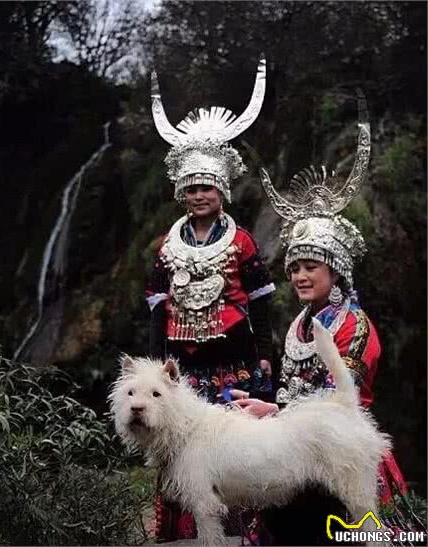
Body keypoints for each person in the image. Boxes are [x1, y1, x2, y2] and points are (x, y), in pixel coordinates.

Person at [236, 103, 414, 545]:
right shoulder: (300, 322)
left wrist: (275, 412)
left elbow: (338, 401)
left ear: (336, 271)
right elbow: (289, 388)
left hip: (339, 454)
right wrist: (267, 406)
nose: (299, 276)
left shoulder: (354, 325)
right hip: (296, 451)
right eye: (294, 267)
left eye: (310, 266)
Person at [147, 56, 276, 543]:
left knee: (235, 454)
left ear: (221, 191)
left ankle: (245, 536)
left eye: (207, 187)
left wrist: (264, 358)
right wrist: (159, 365)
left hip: (236, 366)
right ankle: (181, 535)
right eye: (192, 188)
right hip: (182, 370)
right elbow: (159, 307)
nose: (199, 195)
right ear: (182, 192)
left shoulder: (242, 241)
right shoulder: (167, 246)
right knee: (178, 456)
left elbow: (261, 303)